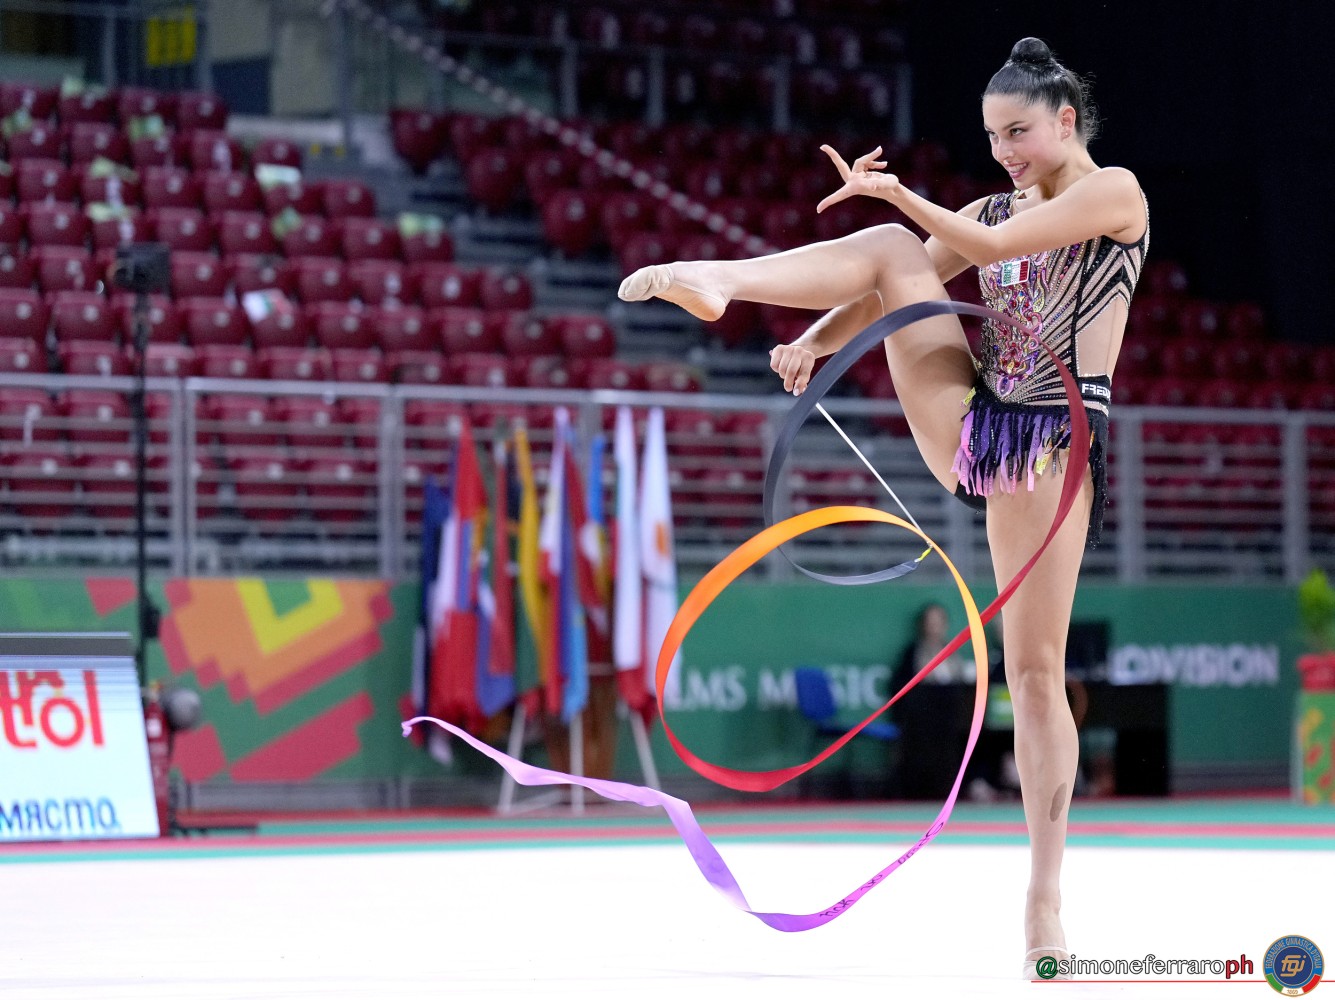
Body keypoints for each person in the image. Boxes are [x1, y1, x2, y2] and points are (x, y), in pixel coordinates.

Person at [618, 37, 1149, 978]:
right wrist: (816, 342)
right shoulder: (987, 205)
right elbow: (894, 282)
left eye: (1018, 133)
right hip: (975, 416)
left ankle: (1043, 898)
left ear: (1066, 120)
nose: (1004, 153)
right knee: (892, 251)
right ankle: (722, 279)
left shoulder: (1114, 195)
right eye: (991, 137)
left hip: (1048, 445)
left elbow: (992, 250)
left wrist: (900, 195)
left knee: (1034, 674)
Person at [889, 602, 975, 801]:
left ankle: (952, 787)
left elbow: (960, 680)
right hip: (922, 716)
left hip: (949, 715)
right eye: (930, 622)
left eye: (939, 622)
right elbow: (901, 685)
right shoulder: (913, 652)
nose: (934, 627)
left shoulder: (952, 651)